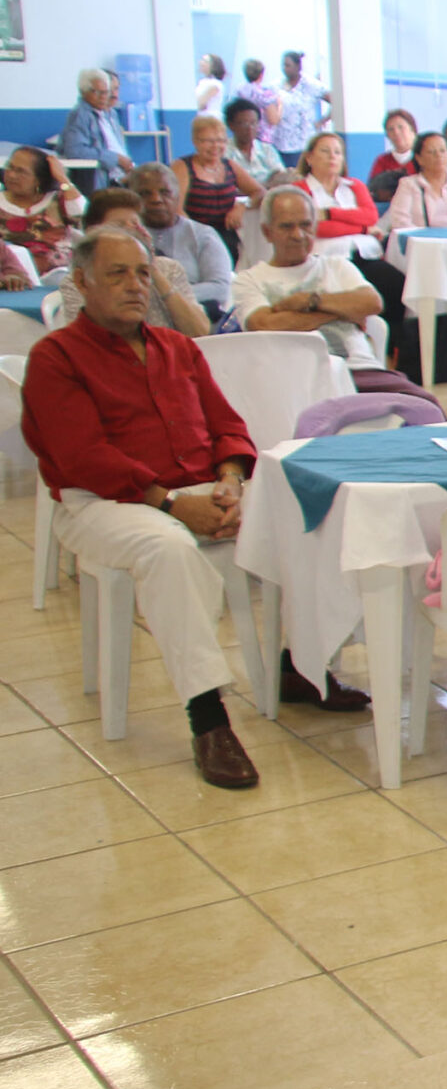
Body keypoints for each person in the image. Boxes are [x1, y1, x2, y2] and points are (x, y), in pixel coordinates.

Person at [19, 229, 265, 788]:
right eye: (117, 274)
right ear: (81, 283)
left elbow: (227, 424)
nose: (135, 285)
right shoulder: (55, 357)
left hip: (195, 488)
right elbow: (83, 457)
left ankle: (301, 665)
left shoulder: (176, 347)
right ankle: (210, 722)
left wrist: (229, 480)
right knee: (168, 549)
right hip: (103, 503)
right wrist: (176, 505)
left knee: (300, 513)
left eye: (142, 273)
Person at [232, 187, 437, 404]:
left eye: (305, 225)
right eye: (286, 227)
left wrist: (311, 301)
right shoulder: (249, 280)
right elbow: (265, 325)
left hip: (361, 370)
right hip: (296, 379)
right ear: (267, 232)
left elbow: (372, 302)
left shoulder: (337, 266)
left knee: (426, 406)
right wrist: (341, 312)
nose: (298, 235)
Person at [369, 130, 447, 383]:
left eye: (442, 150)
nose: (439, 156)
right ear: (419, 157)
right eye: (431, 151)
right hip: (422, 255)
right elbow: (400, 223)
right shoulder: (410, 186)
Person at [58, 189, 212, 339]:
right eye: (119, 226)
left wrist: (152, 271)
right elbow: (83, 344)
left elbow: (200, 332)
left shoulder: (169, 269)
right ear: (93, 233)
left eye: (135, 224)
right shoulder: (80, 281)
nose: (133, 232)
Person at [127, 165, 232, 320]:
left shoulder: (203, 235)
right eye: (145, 194)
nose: (156, 200)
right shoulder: (124, 237)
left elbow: (220, 289)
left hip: (194, 319)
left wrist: (167, 295)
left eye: (165, 192)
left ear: (177, 197)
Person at [173, 111, 260, 252]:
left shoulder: (230, 165)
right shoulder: (182, 166)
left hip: (227, 238)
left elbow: (259, 192)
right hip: (193, 239)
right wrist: (198, 236)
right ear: (195, 141)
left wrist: (242, 207)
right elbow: (176, 209)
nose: (215, 146)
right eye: (208, 141)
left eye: (221, 141)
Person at [1, 144, 85, 273]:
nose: (11, 175)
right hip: (12, 277)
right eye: (10, 167)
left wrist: (62, 179)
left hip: (60, 273)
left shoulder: (57, 200)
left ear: (38, 180)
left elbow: (84, 216)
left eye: (20, 171)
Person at [293, 132, 379, 251]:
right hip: (325, 256)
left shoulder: (355, 185)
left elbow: (371, 217)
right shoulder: (299, 189)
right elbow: (315, 228)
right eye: (325, 151)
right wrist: (363, 229)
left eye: (337, 152)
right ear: (309, 158)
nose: (332, 156)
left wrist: (329, 214)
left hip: (365, 252)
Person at [59, 69, 131, 194]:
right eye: (97, 92)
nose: (104, 97)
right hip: (100, 181)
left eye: (106, 92)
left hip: (121, 175)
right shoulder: (80, 115)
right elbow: (75, 151)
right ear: (83, 92)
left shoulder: (110, 114)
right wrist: (116, 158)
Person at [273, 51, 330, 162]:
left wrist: (322, 121)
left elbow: (335, 101)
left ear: (298, 66)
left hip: (303, 144)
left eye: (288, 65)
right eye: (283, 65)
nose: (284, 68)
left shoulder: (312, 85)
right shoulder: (276, 86)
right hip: (281, 142)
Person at [225, 97, 286, 188]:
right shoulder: (223, 151)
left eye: (253, 123)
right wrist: (264, 186)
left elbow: (281, 177)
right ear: (231, 125)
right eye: (244, 124)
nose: (250, 128)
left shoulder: (266, 149)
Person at [367, 109, 418, 205]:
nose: (396, 133)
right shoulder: (382, 160)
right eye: (391, 129)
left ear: (413, 130)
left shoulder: (423, 158)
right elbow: (374, 191)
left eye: (400, 127)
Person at [237, 58, 278, 145]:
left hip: (242, 134)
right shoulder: (265, 93)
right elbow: (273, 120)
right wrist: (280, 105)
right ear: (261, 74)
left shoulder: (239, 90)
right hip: (262, 138)